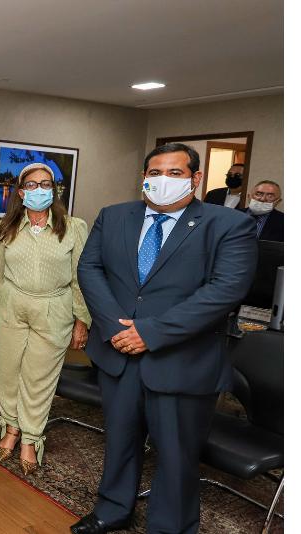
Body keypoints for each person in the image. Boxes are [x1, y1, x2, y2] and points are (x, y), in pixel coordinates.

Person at [72, 143, 256, 534]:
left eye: (175, 173)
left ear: (196, 178)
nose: (163, 180)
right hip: (119, 355)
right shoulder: (114, 216)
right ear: (143, 177)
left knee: (176, 454)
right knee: (119, 441)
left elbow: (225, 290)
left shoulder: (228, 224)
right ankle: (113, 510)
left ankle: (170, 527)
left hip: (182, 361)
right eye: (155, 173)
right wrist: (117, 329)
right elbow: (90, 269)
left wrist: (150, 332)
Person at [0, 163, 90, 475]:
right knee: (7, 373)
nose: (39, 190)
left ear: (54, 190)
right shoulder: (4, 228)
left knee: (39, 378)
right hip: (10, 307)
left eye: (45, 184)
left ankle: (30, 437)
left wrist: (81, 319)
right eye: (31, 185)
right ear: (21, 192)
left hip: (53, 309)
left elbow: (81, 278)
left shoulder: (73, 227)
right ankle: (11, 427)